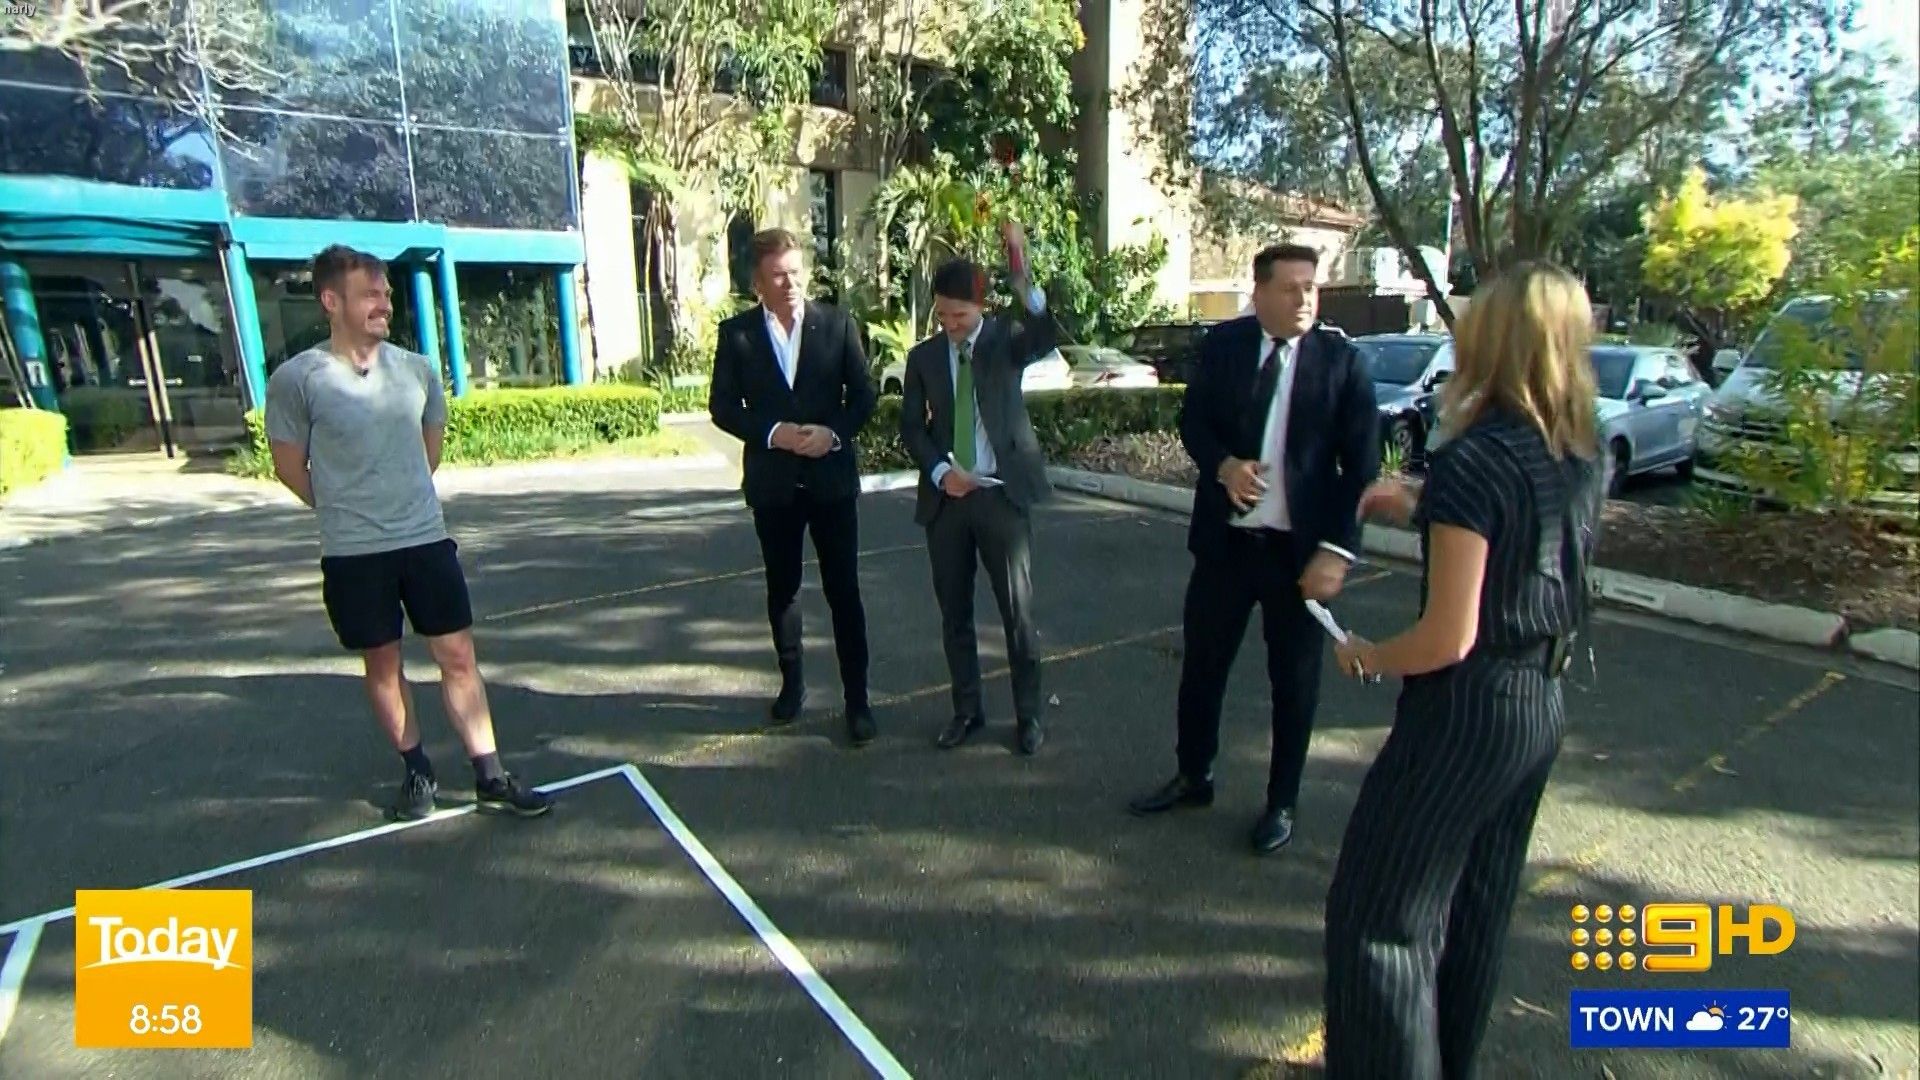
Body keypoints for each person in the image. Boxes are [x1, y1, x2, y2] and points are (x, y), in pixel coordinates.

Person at [1319, 260, 1606, 1078]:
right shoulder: (1577, 453)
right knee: (1476, 913)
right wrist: (1419, 503)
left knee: (1381, 919)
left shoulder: (1474, 459)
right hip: (1539, 703)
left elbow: (1448, 637)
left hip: (1468, 711)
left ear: (1493, 343)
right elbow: (1520, 533)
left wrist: (1370, 655)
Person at [265, 244, 552, 822]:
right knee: (383, 664)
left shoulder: (417, 370)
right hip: (354, 555)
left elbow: (430, 453)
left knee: (458, 655)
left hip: (425, 541)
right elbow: (289, 465)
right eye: (370, 295)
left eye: (387, 294)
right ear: (331, 301)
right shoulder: (297, 379)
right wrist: (344, 506)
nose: (385, 304)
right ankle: (417, 771)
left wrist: (397, 498)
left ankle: (490, 776)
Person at [1128, 242, 1380, 855]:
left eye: (1311, 287)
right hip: (1227, 547)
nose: (1304, 298)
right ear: (1259, 292)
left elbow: (1362, 469)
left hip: (1298, 558)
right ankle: (1194, 775)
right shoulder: (1226, 346)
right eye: (1290, 288)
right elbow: (1195, 424)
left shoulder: (1342, 363)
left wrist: (1337, 550)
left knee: (1293, 683)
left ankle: (1281, 803)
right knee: (1202, 668)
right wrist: (1223, 466)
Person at [708, 228, 879, 745]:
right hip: (774, 485)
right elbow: (722, 407)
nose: (790, 283)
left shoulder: (837, 324)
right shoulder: (736, 335)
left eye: (796, 272)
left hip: (830, 481)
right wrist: (772, 433)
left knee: (843, 591)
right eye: (778, 275)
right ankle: (792, 684)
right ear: (757, 283)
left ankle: (858, 700)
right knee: (782, 590)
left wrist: (834, 434)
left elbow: (864, 395)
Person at [899, 221, 1054, 755]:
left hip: (1001, 496)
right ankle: (967, 711)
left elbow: (1045, 332)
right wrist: (941, 473)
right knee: (955, 615)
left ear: (980, 308)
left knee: (1017, 613)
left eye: (959, 316)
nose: (950, 325)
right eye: (942, 315)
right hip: (948, 501)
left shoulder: (1005, 341)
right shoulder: (923, 358)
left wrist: (1019, 266)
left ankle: (1029, 716)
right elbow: (912, 427)